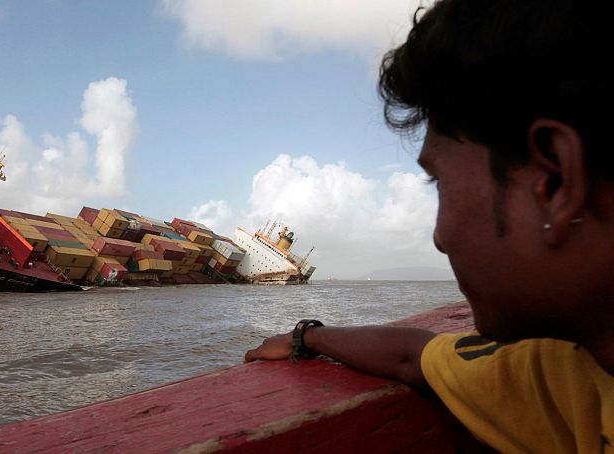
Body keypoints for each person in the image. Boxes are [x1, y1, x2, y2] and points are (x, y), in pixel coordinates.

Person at [244, 0, 613, 452]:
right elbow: (413, 356)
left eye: (439, 181)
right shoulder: (571, 369)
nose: (438, 238)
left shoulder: (561, 374)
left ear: (555, 181)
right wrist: (308, 336)